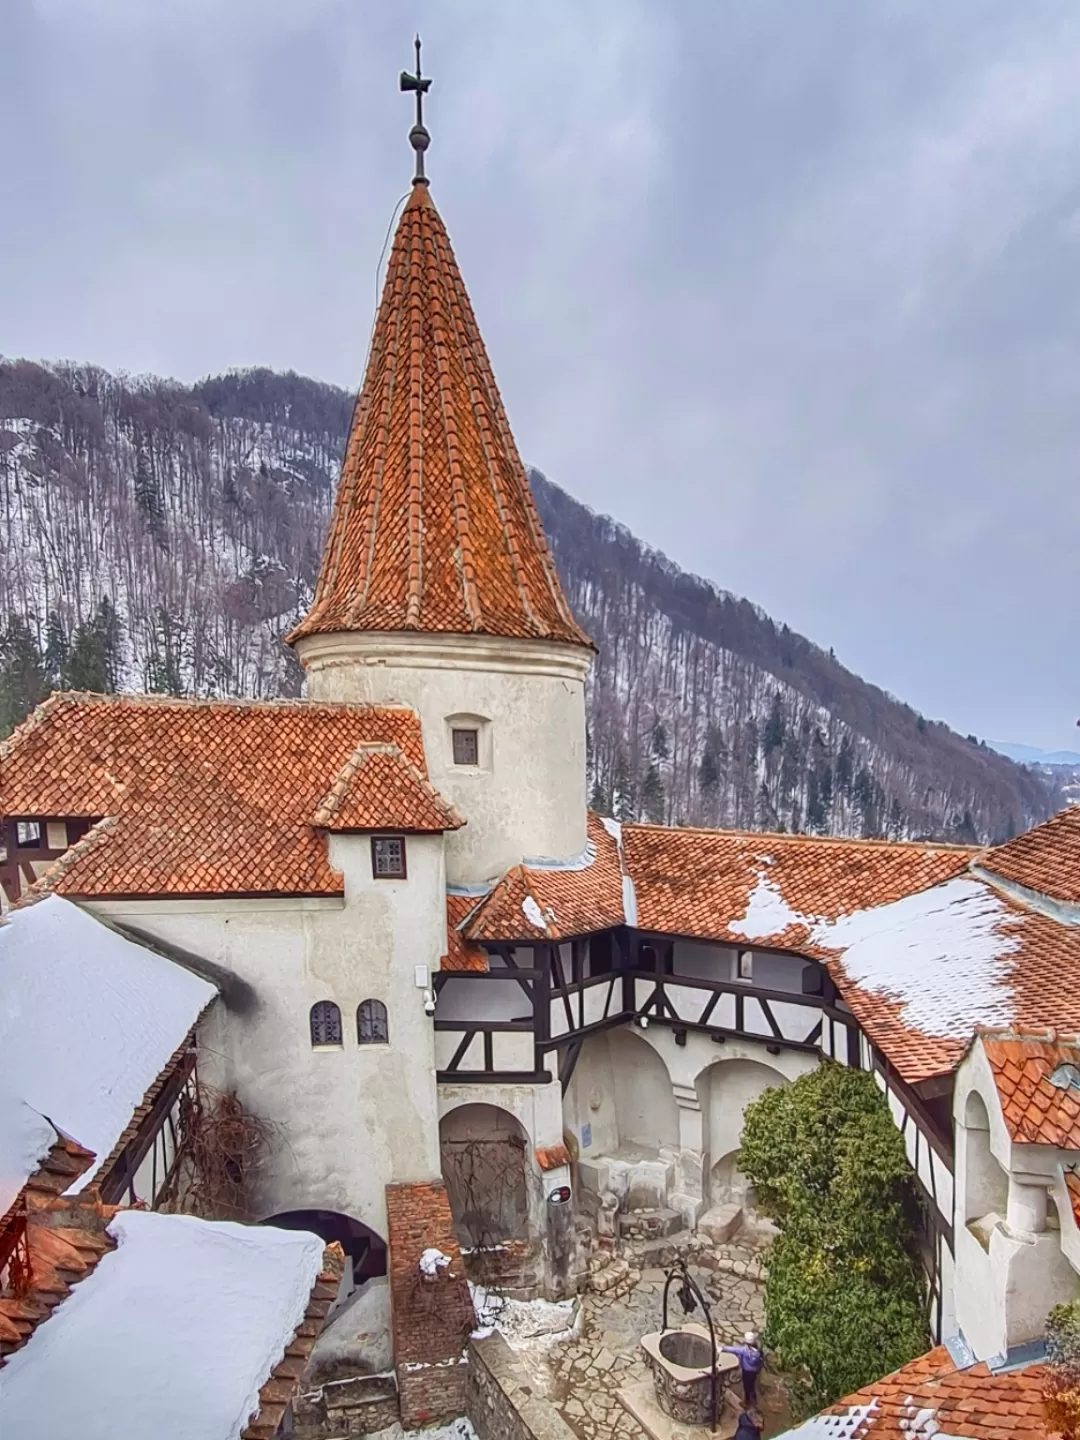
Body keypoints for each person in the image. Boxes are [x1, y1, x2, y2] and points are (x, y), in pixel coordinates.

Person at [722, 1331, 764, 1410]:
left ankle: (747, 1402)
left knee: (746, 1386)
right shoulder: (758, 1352)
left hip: (747, 1371)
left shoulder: (745, 1351)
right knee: (752, 1385)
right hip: (754, 1371)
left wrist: (723, 1348)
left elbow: (734, 1350)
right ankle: (753, 1398)